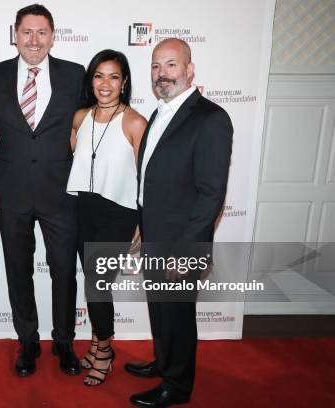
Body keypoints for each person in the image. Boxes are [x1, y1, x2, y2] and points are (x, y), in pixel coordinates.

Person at [126, 38, 233, 407]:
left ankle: (178, 386)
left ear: (189, 70)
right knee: (161, 307)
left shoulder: (211, 118)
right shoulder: (159, 112)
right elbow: (154, 178)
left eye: (171, 65)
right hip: (155, 231)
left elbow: (211, 194)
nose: (162, 73)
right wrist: (142, 220)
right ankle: (164, 362)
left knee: (178, 313)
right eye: (156, 66)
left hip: (181, 241)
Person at [0, 3, 85, 377]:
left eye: (42, 32)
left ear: (53, 36)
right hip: (12, 193)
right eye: (27, 32)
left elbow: (88, 129)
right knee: (18, 270)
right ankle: (28, 342)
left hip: (62, 194)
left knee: (64, 272)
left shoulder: (75, 76)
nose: (35, 40)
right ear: (15, 35)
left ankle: (64, 341)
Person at [66, 50, 146, 386]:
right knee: (93, 283)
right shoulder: (80, 117)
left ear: (124, 82)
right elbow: (77, 157)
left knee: (97, 286)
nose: (106, 83)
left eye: (114, 76)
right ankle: (100, 343)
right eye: (99, 75)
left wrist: (143, 222)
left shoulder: (135, 122)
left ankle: (104, 350)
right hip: (84, 210)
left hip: (118, 213)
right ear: (91, 80)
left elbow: (146, 176)